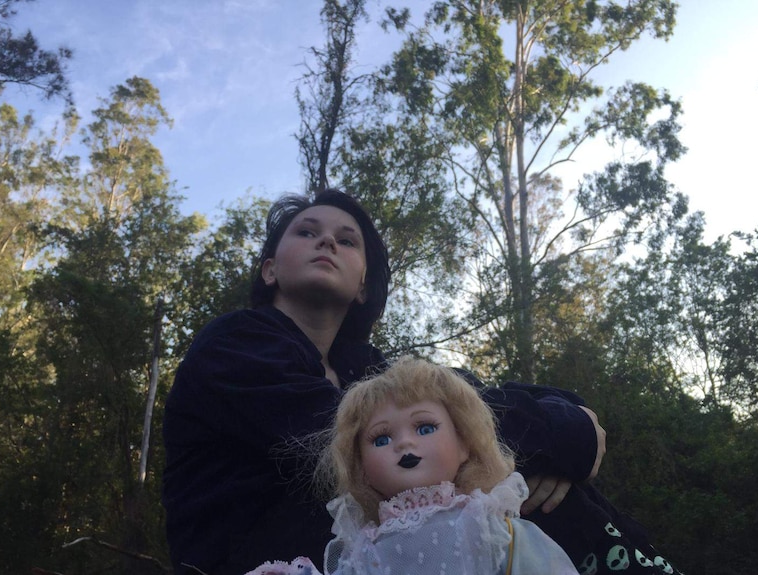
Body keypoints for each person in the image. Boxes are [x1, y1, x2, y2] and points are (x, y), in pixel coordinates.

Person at [162, 188, 679, 575]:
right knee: (513, 492)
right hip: (265, 562)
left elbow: (471, 399)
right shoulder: (236, 344)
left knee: (528, 492)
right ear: (270, 270)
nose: (327, 240)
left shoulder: (365, 370)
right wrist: (562, 435)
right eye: (306, 231)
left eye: (347, 240)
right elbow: (340, 444)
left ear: (363, 285)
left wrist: (568, 414)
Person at [244, 357, 580, 575]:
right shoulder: (362, 548)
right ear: (361, 468)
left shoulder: (484, 523)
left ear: (464, 443)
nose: (405, 443)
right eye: (380, 439)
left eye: (425, 428)